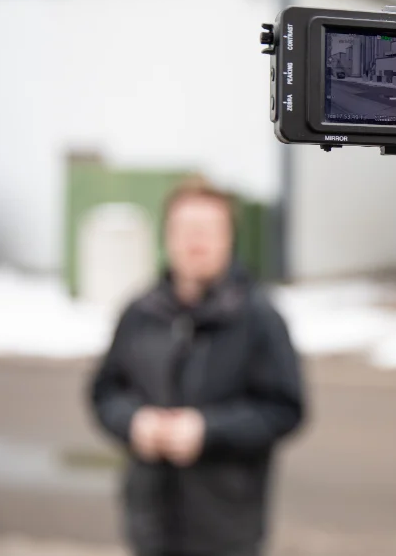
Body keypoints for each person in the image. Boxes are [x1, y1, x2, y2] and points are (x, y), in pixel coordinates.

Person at [90, 178, 305, 556]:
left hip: (227, 525)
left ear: (229, 238)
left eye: (207, 230)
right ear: (167, 237)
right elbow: (105, 392)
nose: (195, 242)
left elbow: (284, 408)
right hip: (149, 519)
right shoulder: (140, 313)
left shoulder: (259, 318)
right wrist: (134, 422)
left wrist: (207, 430)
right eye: (186, 229)